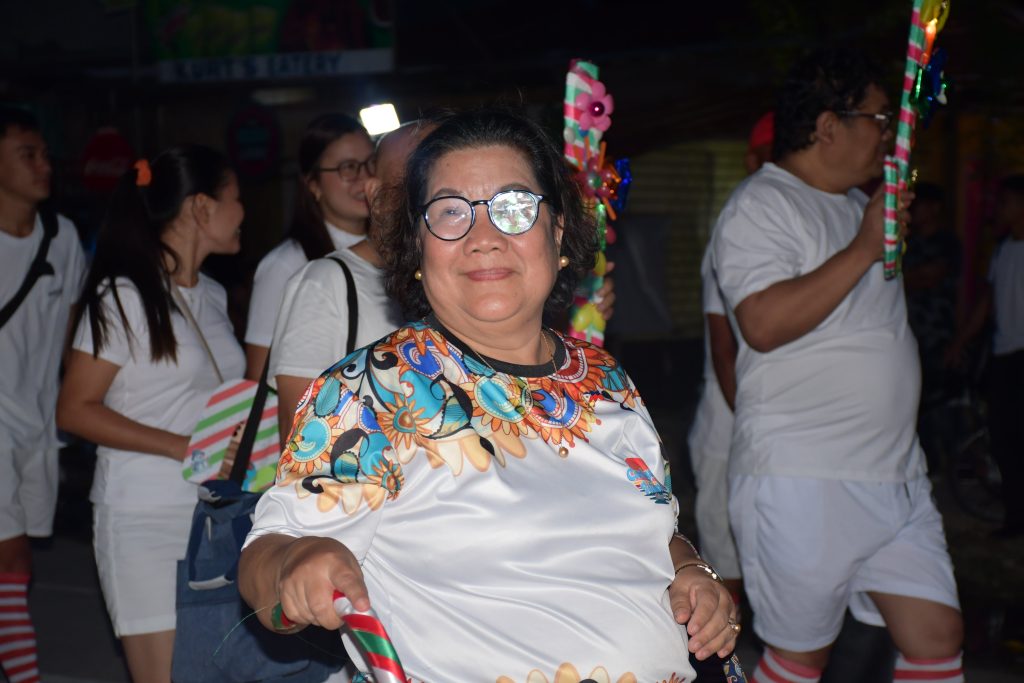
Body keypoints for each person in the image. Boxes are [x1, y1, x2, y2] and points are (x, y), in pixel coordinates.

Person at [238, 108, 739, 681]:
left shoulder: (606, 379)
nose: (483, 239)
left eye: (514, 208)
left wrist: (692, 571)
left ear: (557, 234)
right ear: (418, 246)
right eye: (451, 212)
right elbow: (265, 559)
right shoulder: (376, 390)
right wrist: (296, 562)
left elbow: (655, 532)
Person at [711, 48, 964, 683]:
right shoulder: (761, 204)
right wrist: (863, 246)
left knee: (936, 637)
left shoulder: (858, 205)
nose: (891, 135)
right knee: (800, 658)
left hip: (895, 472)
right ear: (828, 125)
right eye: (880, 119)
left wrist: (871, 234)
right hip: (805, 477)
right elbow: (762, 324)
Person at [56, 146, 246, 683]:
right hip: (142, 517)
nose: (244, 212)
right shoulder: (123, 296)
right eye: (236, 198)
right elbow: (73, 409)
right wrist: (183, 447)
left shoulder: (212, 295)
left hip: (212, 516)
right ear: (201, 207)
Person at [0, 105, 86, 683]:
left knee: (17, 559)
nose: (43, 165)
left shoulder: (62, 237)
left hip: (38, 423)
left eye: (45, 154)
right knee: (12, 557)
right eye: (26, 155)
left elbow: (73, 332)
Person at [687, 111, 773, 607]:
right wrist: (752, 424)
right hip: (730, 428)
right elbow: (725, 347)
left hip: (770, 431)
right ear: (753, 160)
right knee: (727, 568)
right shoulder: (737, 229)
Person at [245, 113, 374, 380]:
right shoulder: (286, 265)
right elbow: (258, 375)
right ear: (313, 184)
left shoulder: (390, 250)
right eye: (348, 167)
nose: (365, 178)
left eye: (371, 163)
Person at [946, 174, 1024, 538]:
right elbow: (987, 302)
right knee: (1004, 437)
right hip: (1004, 356)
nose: (999, 210)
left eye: (1006, 202)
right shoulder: (1003, 249)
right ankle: (1015, 517)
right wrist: (960, 341)